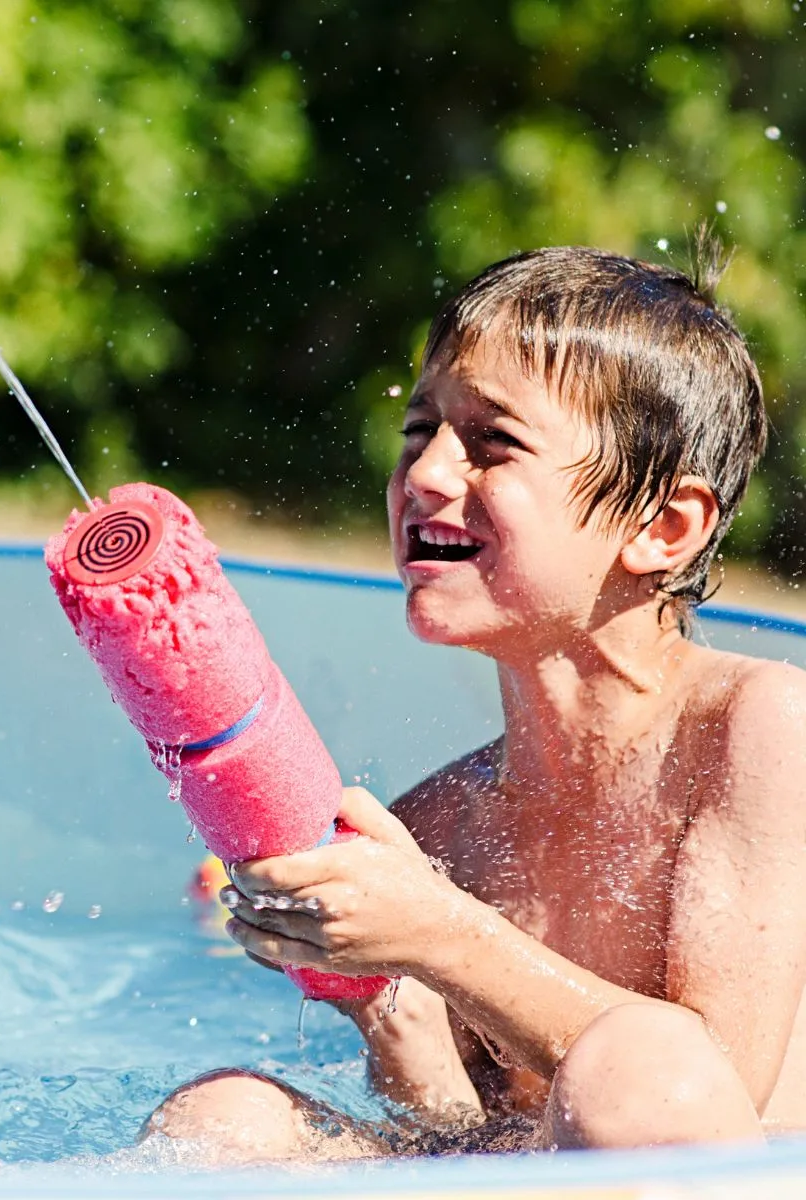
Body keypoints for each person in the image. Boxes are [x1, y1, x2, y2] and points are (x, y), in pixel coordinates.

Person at [140, 241, 806, 1161]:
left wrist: (439, 934)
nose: (425, 475)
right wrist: (386, 992)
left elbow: (700, 1101)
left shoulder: (760, 729)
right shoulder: (440, 830)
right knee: (224, 1119)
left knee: (647, 1064)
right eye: (418, 433)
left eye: (492, 443)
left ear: (662, 527)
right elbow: (452, 1130)